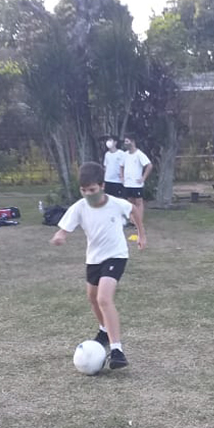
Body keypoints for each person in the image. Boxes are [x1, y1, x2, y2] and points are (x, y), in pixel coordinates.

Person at [50, 162, 146, 370]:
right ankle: (104, 329)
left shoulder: (116, 204)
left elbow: (134, 210)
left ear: (102, 186)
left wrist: (141, 234)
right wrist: (60, 235)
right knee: (92, 298)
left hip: (116, 255)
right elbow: (64, 229)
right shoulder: (79, 207)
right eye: (84, 190)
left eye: (92, 190)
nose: (88, 194)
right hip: (94, 258)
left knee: (104, 298)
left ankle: (117, 350)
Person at [120, 134, 152, 225]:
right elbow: (121, 166)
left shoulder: (139, 154)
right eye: (125, 142)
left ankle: (139, 221)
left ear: (132, 142)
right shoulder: (125, 155)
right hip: (127, 183)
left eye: (127, 141)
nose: (125, 143)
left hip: (136, 184)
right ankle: (131, 220)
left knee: (138, 202)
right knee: (130, 202)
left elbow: (149, 165)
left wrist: (143, 178)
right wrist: (122, 177)